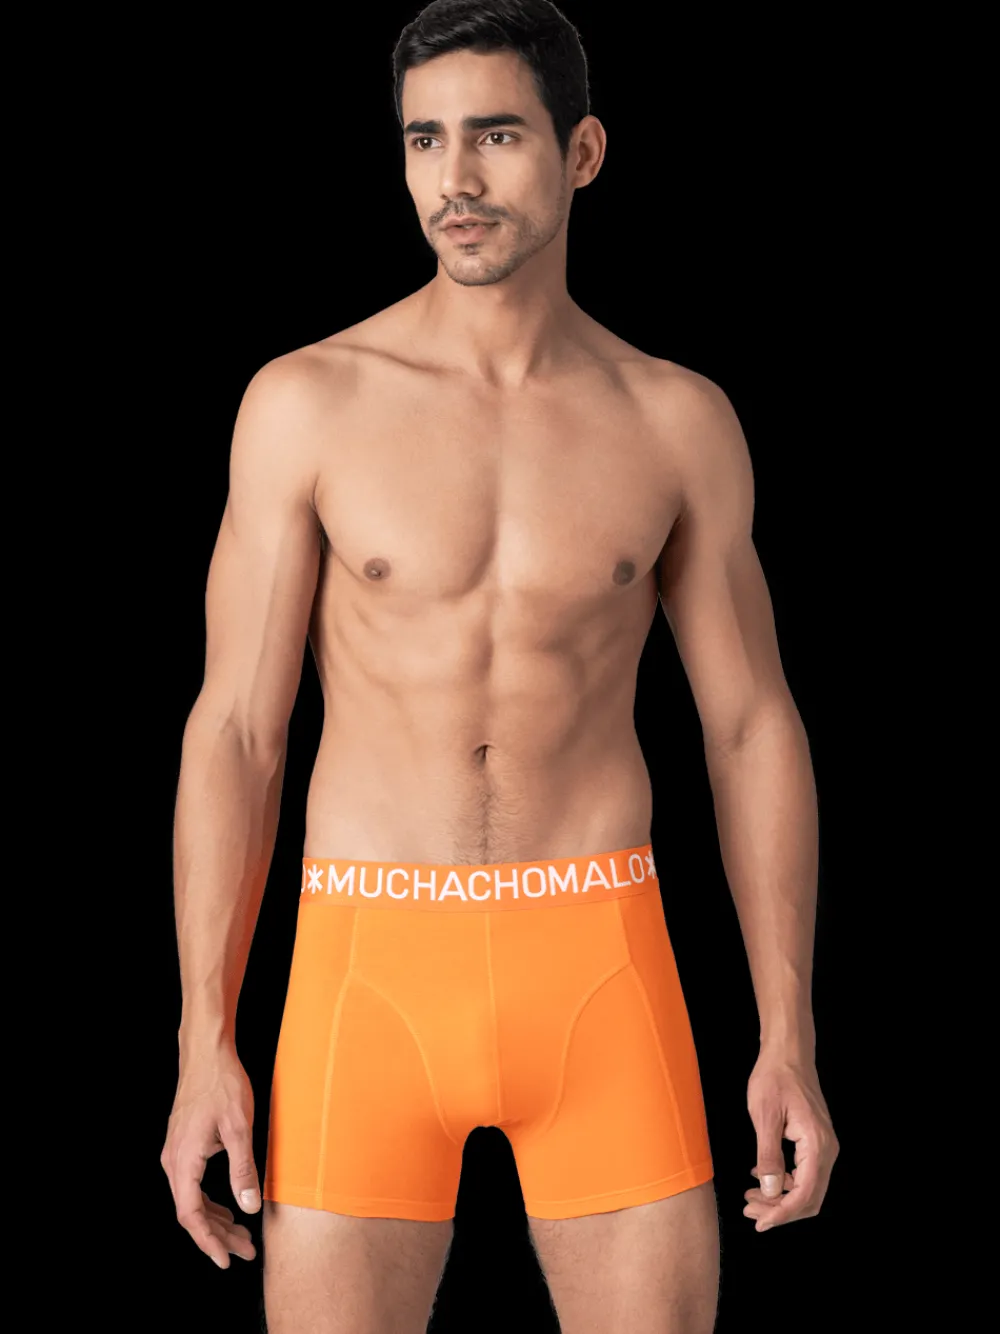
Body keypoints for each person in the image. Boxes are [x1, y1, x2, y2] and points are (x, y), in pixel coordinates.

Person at [159, 1, 839, 1329]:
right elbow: (236, 730)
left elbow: (752, 726)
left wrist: (790, 1033)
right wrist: (203, 1038)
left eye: (497, 136)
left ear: (583, 152)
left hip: (600, 963)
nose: (454, 179)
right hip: (364, 968)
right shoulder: (308, 404)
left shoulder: (674, 419)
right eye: (424, 139)